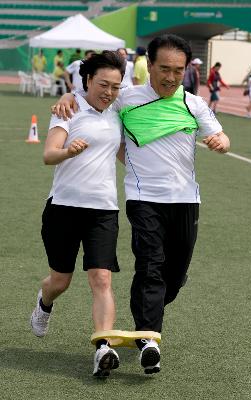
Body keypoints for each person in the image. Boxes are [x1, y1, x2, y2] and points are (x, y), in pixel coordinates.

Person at [52, 34, 230, 375]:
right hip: (143, 198)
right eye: (164, 69)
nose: (171, 77)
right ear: (149, 66)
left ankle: (150, 314)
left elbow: (220, 135)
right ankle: (149, 339)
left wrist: (220, 141)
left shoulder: (193, 104)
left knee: (173, 278)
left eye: (179, 70)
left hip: (186, 201)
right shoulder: (127, 98)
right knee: (150, 264)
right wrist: (66, 96)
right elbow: (93, 96)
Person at [30, 51, 126, 378]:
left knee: (101, 278)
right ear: (87, 80)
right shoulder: (68, 110)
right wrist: (67, 150)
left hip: (104, 211)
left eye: (115, 86)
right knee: (60, 280)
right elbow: (48, 155)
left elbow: (127, 155)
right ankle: (44, 303)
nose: (109, 92)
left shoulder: (118, 113)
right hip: (64, 209)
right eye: (103, 84)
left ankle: (103, 348)